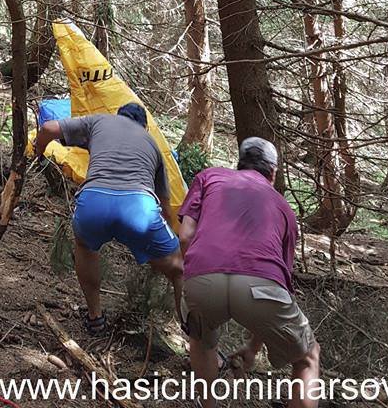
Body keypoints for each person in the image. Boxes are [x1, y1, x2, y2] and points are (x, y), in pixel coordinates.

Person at [179, 137, 320, 408]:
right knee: (307, 357)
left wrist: (197, 275)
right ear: (273, 172)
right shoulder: (284, 209)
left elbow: (185, 236)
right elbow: (280, 282)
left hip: (202, 277)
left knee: (201, 340)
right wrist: (253, 348)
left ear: (239, 162)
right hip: (261, 283)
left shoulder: (209, 177)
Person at [34, 103, 183, 334]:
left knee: (85, 246)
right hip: (139, 209)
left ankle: (95, 317)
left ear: (119, 116)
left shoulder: (99, 121)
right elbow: (164, 207)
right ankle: (195, 333)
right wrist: (165, 248)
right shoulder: (153, 146)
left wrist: (38, 152)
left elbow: (49, 128)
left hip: (94, 202)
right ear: (144, 127)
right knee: (179, 268)